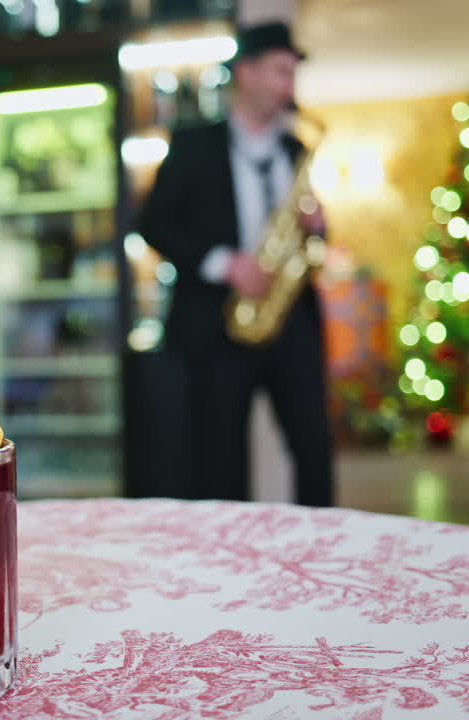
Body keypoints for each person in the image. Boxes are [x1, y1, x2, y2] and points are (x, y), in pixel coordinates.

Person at [138, 21, 335, 507]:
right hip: (215, 326)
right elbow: (153, 223)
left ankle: (328, 549)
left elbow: (310, 236)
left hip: (291, 322)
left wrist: (317, 228)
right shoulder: (192, 143)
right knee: (219, 459)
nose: (288, 86)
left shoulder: (295, 149)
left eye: (292, 74)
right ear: (245, 73)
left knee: (314, 450)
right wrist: (225, 264)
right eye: (279, 71)